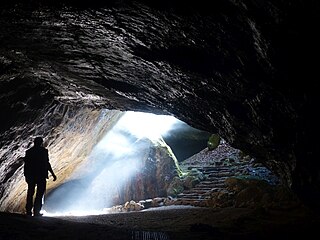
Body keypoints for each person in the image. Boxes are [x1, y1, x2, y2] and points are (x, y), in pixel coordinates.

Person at [24, 136, 57, 216]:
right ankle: (36, 211)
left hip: (31, 175)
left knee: (31, 193)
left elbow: (26, 164)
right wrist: (52, 174)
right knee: (40, 193)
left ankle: (29, 211)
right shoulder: (44, 151)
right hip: (41, 175)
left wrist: (26, 175)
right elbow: (47, 163)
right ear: (41, 143)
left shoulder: (29, 152)